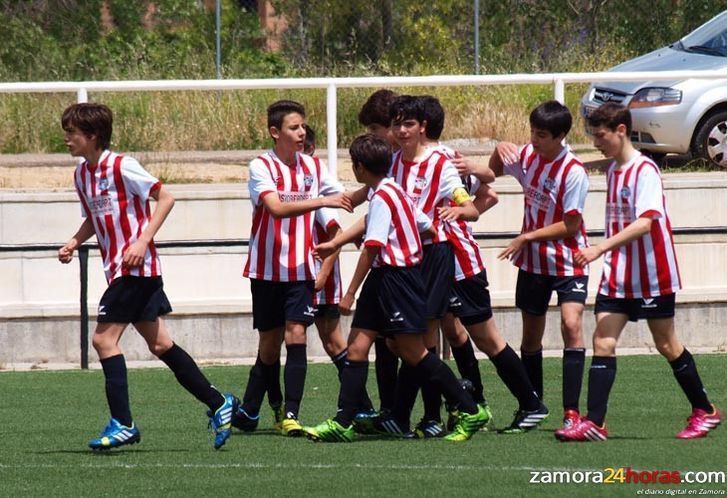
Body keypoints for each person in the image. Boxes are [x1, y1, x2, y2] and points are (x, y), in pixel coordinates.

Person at [58, 102, 237, 450]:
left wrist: (142, 240)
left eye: (72, 133)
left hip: (136, 270)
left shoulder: (122, 166)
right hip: (119, 271)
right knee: (160, 344)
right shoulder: (82, 174)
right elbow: (96, 219)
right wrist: (73, 242)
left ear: (92, 136)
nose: (66, 139)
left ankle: (123, 423)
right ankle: (220, 403)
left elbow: (166, 198)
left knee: (103, 340)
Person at [304, 134, 489, 443]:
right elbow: (425, 225)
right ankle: (343, 421)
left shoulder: (382, 198)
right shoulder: (395, 191)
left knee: (412, 351)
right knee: (358, 347)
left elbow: (372, 248)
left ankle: (470, 409)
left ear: (361, 168)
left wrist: (349, 293)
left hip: (395, 279)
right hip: (387, 278)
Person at [556, 102, 721, 442]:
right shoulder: (614, 170)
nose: (597, 142)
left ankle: (704, 409)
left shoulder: (644, 171)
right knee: (602, 339)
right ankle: (596, 422)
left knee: (666, 343)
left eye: (601, 136)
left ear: (620, 130)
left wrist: (600, 248)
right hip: (619, 274)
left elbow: (646, 223)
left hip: (651, 273)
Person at [421, 95, 548, 434]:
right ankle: (469, 404)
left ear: (419, 126)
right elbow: (486, 192)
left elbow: (487, 194)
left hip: (458, 262)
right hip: (435, 261)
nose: (395, 131)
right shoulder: (418, 159)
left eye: (401, 123)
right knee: (445, 330)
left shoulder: (443, 159)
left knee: (486, 338)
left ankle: (530, 403)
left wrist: (459, 216)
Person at [231, 100, 352, 437]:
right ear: (275, 132)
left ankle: (291, 414)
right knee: (268, 346)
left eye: (302, 127)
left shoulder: (313, 167)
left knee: (295, 334)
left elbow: (343, 198)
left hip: (301, 269)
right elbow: (276, 208)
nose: (301, 133)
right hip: (266, 269)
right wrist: (323, 200)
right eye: (293, 127)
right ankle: (252, 409)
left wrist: (377, 184)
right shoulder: (261, 167)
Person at [488, 100, 589, 431]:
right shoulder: (529, 156)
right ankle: (532, 405)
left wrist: (528, 237)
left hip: (569, 262)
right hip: (533, 265)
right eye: (531, 132)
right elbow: (493, 172)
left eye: (541, 134)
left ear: (560, 136)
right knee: (531, 337)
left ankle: (572, 411)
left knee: (571, 326)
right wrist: (498, 150)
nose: (533, 139)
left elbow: (571, 226)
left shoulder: (573, 171)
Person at [356, 89, 402, 419]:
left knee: (423, 345)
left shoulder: (408, 165)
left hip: (409, 268)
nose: (372, 137)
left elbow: (483, 189)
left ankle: (466, 404)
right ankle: (388, 412)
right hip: (395, 267)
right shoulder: (389, 172)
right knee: (388, 343)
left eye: (374, 130)